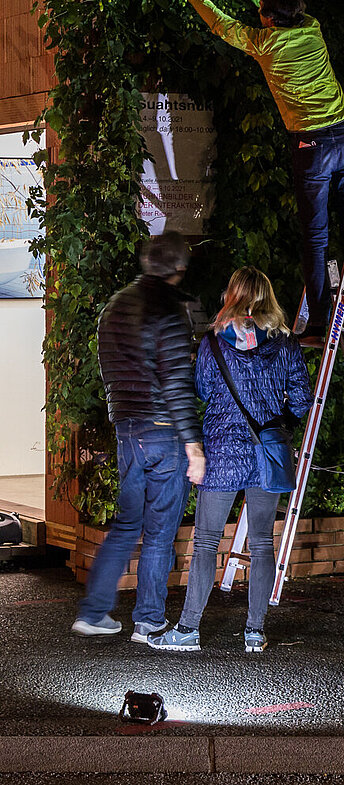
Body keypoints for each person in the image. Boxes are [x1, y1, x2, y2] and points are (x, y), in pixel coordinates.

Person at [171, 0, 344, 343]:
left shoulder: (265, 43)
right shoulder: (311, 28)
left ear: (267, 18)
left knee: (316, 237)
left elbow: (220, 23)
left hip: (312, 147)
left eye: (261, 8)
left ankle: (319, 321)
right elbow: (273, 2)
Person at [148, 266, 313, 653]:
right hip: (266, 454)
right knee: (261, 543)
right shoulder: (285, 343)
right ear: (267, 296)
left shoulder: (213, 342)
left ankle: (188, 629)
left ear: (233, 295)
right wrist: (278, 424)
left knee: (206, 541)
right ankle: (254, 632)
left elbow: (203, 389)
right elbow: (304, 399)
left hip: (222, 450)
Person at [71, 231, 206, 642]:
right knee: (160, 530)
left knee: (126, 525)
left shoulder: (114, 306)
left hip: (126, 429)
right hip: (164, 432)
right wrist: (194, 444)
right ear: (179, 269)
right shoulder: (168, 313)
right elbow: (177, 384)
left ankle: (94, 612)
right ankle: (148, 620)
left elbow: (109, 369)